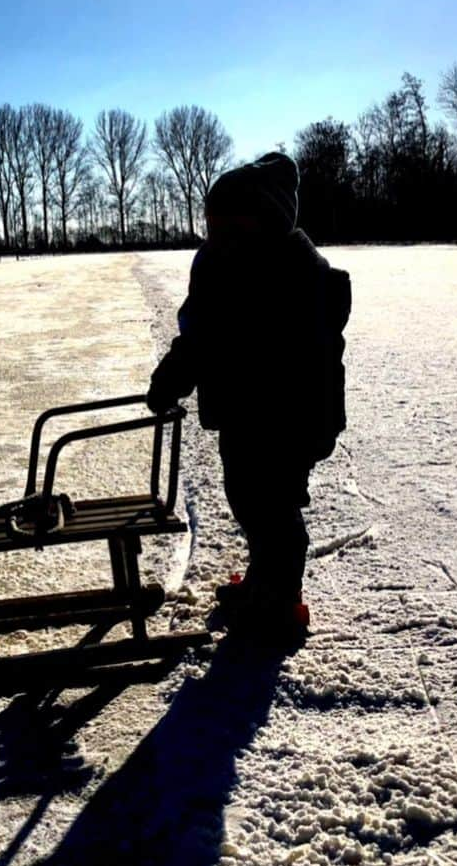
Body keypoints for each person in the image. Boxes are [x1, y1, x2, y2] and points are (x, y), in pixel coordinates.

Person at [145, 152, 350, 643]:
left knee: (272, 508)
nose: (219, 236)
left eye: (232, 226)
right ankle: (264, 584)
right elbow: (197, 336)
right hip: (245, 412)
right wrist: (172, 377)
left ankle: (280, 605)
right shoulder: (222, 264)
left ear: (266, 223)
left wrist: (316, 423)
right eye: (213, 226)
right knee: (248, 499)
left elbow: (315, 355)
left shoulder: (293, 271)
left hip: (291, 415)